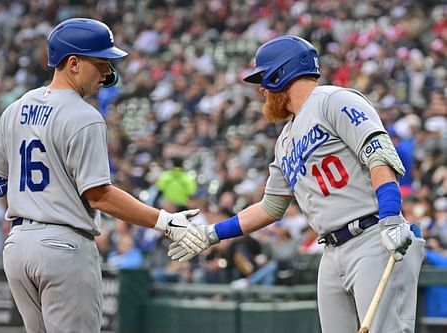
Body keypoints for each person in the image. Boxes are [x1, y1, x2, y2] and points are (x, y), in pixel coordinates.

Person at [168, 36, 425, 333]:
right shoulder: (284, 141)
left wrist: (392, 216)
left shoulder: (334, 100)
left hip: (373, 236)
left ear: (281, 74)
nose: (262, 89)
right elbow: (270, 207)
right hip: (330, 252)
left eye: (264, 79)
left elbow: (379, 156)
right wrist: (212, 233)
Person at [0, 18, 199, 333]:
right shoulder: (84, 116)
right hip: (63, 246)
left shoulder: (15, 108)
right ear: (73, 63)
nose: (107, 74)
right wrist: (164, 222)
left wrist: (38, 197)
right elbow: (99, 196)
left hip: (17, 246)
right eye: (100, 63)